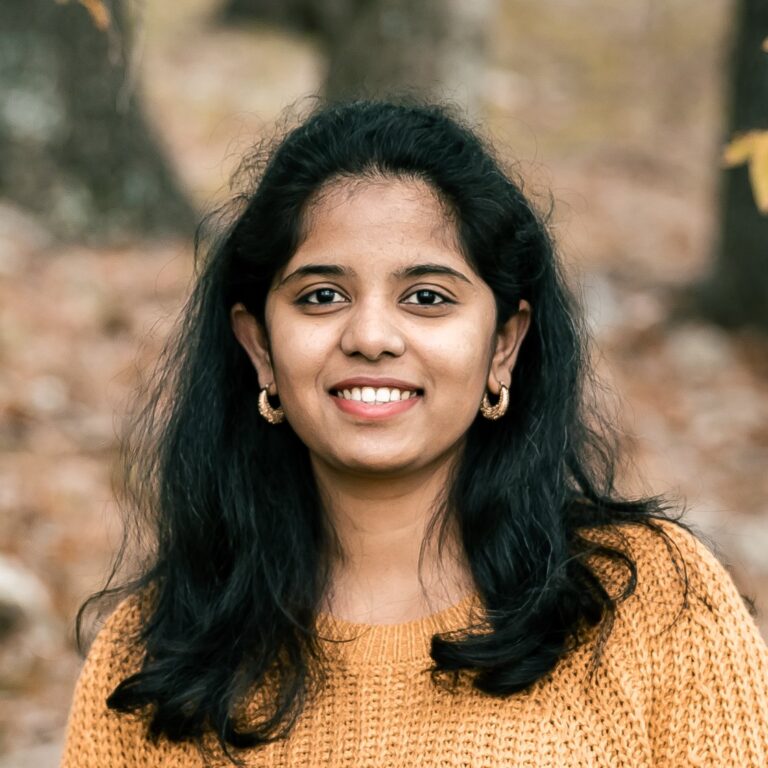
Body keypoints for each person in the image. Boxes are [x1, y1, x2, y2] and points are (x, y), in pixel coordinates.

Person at [60, 99, 768, 767]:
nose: (371, 336)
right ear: (259, 347)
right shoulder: (154, 654)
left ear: (503, 345)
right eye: (322, 296)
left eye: (427, 298)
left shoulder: (652, 608)